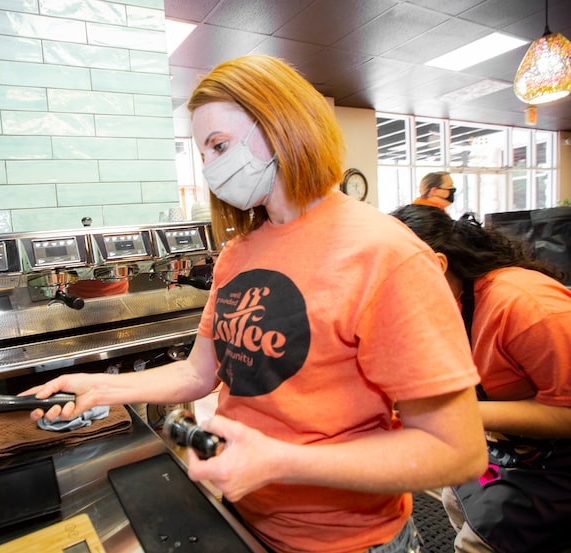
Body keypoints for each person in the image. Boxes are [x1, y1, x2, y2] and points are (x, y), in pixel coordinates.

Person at [26, 55, 487, 553]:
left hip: (346, 541)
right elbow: (198, 374)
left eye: (219, 146)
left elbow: (455, 451)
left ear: (282, 127)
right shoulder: (239, 252)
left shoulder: (385, 254)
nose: (211, 168)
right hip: (242, 516)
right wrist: (103, 388)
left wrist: (283, 461)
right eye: (203, 154)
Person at [391, 204, 571, 553]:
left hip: (558, 461)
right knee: (455, 496)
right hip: (515, 445)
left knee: (479, 541)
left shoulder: (526, 307)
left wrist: (454, 410)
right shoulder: (451, 299)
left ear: (437, 266)